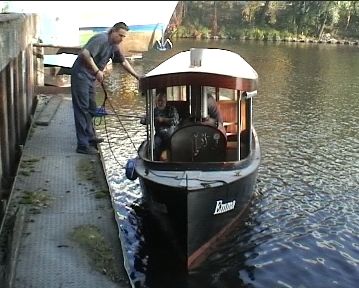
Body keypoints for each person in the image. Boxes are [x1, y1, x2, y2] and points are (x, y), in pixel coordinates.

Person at [71, 21, 141, 155]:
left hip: (90, 78)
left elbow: (123, 61)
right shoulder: (101, 39)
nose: (121, 39)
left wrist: (137, 76)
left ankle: (90, 137)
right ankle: (82, 145)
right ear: (113, 32)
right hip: (81, 74)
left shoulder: (114, 46)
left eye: (123, 37)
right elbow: (85, 53)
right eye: (120, 35)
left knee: (91, 107)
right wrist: (97, 71)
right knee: (82, 108)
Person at [153, 91, 179, 160]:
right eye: (159, 101)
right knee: (155, 144)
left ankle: (174, 161)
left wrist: (164, 120)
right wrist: (149, 119)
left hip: (171, 135)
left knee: (175, 145)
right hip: (159, 135)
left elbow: (176, 121)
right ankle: (156, 162)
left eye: (162, 101)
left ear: (166, 101)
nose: (160, 103)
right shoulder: (154, 111)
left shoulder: (172, 109)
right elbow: (143, 120)